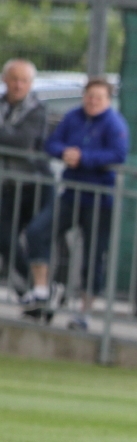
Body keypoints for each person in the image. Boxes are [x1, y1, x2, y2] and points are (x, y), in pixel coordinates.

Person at [21, 78, 128, 329]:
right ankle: (42, 290)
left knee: (93, 256)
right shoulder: (73, 117)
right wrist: (65, 153)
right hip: (70, 194)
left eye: (98, 98)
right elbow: (52, 143)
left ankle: (84, 312)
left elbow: (118, 154)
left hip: (99, 199)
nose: (92, 102)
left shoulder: (114, 123)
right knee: (37, 231)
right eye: (89, 96)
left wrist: (84, 157)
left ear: (107, 100)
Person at [0, 58, 48, 296]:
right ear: (4, 79)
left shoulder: (37, 109)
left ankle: (40, 289)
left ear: (31, 83)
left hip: (35, 185)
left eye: (24, 80)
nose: (18, 85)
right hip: (8, 185)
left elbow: (21, 141)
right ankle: (35, 289)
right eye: (14, 79)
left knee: (37, 236)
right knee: (5, 238)